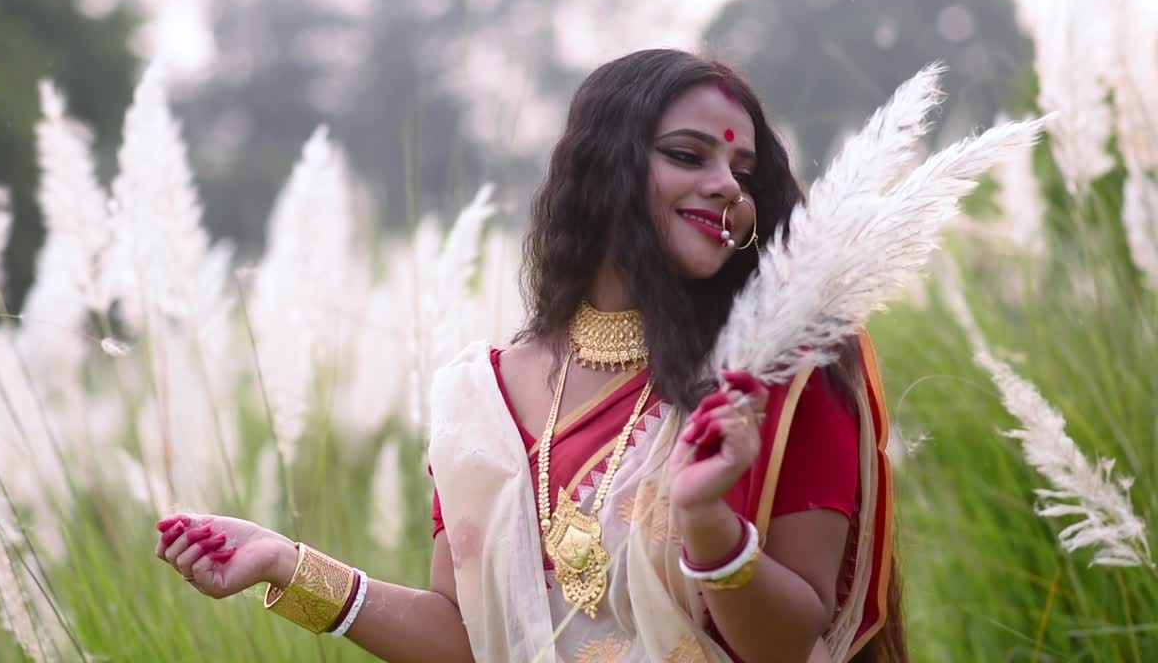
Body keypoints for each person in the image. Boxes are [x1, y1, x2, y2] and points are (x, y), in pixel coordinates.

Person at [154, 48, 907, 662]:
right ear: (602, 168)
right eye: (689, 155)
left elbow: (790, 646)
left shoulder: (777, 382)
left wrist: (706, 519)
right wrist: (288, 565)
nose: (725, 188)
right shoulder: (480, 398)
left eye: (741, 172)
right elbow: (468, 638)